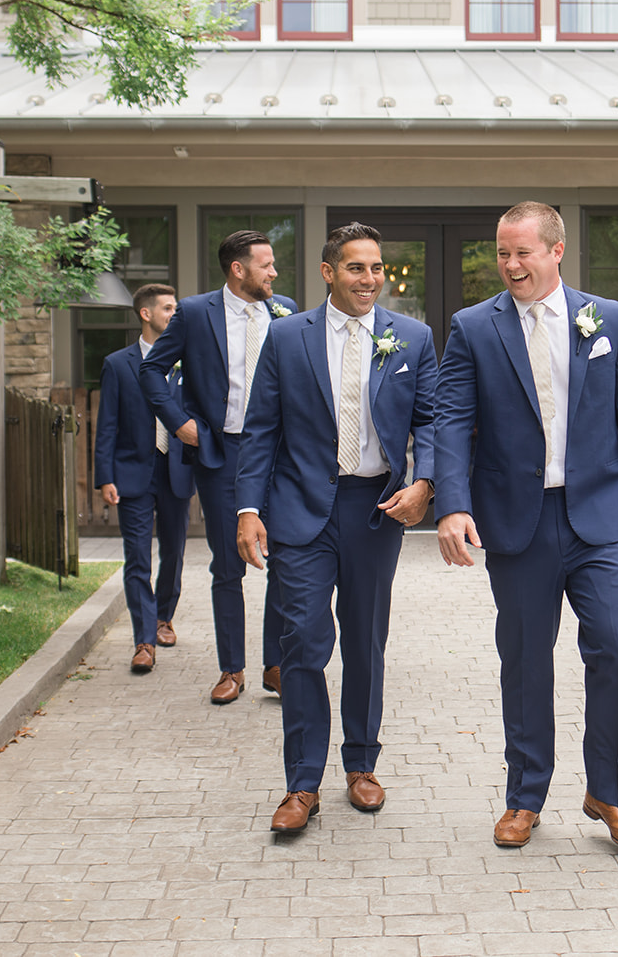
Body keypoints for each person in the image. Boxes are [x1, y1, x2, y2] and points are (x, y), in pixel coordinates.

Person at [434, 200, 618, 852]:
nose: (510, 264)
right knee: (526, 660)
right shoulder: (473, 327)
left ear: (556, 251)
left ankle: (609, 793)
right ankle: (525, 794)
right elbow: (451, 418)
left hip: (598, 518)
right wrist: (453, 503)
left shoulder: (608, 319)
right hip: (519, 523)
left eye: (523, 252)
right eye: (502, 253)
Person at [236, 222, 438, 833]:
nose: (370, 280)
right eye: (357, 269)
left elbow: (430, 421)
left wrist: (425, 484)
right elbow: (261, 428)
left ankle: (361, 765)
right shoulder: (286, 337)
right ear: (329, 273)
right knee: (302, 642)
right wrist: (248, 509)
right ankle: (301, 783)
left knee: (365, 642)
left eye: (377, 269)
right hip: (301, 511)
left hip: (377, 511)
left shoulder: (414, 338)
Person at [140, 230, 297, 704]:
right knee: (228, 564)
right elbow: (152, 370)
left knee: (285, 561)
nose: (274, 273)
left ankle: (276, 665)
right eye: (265, 265)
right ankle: (232, 669)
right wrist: (181, 423)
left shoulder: (284, 310)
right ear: (238, 269)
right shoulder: (193, 312)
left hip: (281, 455)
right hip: (221, 453)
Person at [93, 284, 195, 673]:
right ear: (146, 314)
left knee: (174, 552)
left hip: (176, 469)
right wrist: (105, 476)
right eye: (168, 308)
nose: (174, 314)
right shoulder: (118, 364)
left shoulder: (187, 361)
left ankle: (164, 617)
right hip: (132, 472)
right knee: (136, 557)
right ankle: (143, 640)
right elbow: (107, 427)